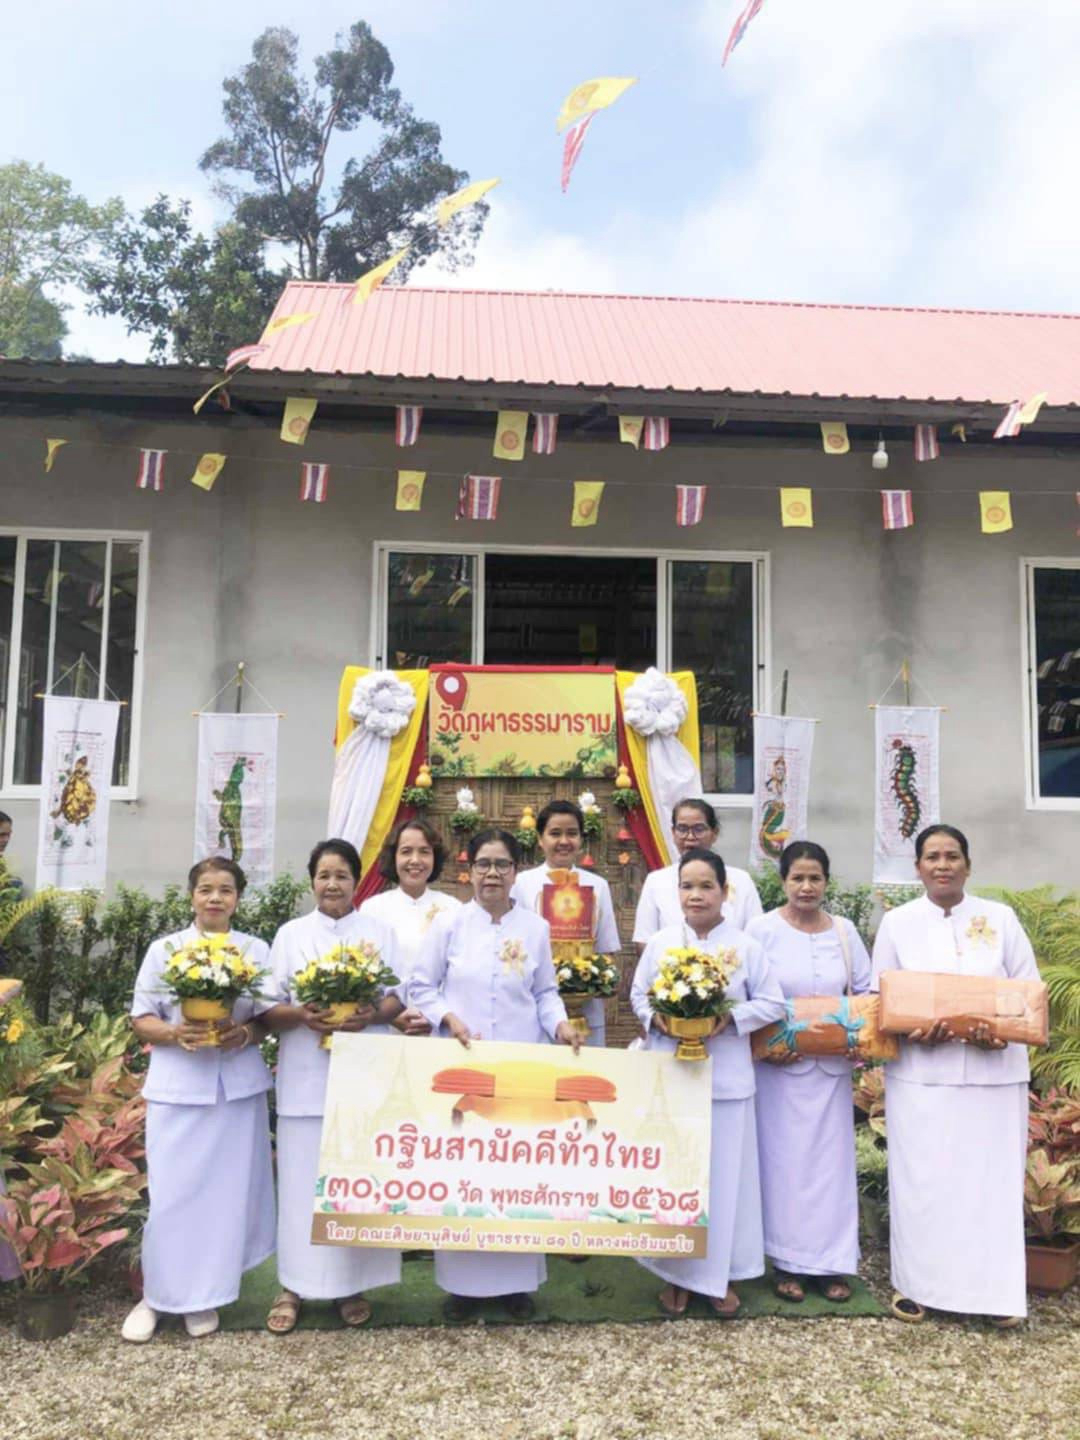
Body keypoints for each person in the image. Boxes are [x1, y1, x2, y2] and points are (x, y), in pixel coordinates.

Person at [410, 827, 582, 1321]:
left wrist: (561, 1024)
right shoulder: (448, 924)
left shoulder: (536, 928)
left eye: (502, 864)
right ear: (468, 871)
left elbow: (545, 993)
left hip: (520, 1067)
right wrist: (448, 1018)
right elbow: (421, 986)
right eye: (483, 864)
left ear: (515, 871)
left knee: (515, 1171)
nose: (492, 873)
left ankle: (516, 1285)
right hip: (461, 1063)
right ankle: (461, 1288)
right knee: (463, 1173)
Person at [871, 824, 1039, 1328]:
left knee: (990, 1185)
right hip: (923, 1077)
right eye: (932, 857)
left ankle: (996, 1294)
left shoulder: (1001, 918)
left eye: (952, 856)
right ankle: (917, 1286)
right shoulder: (897, 923)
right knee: (925, 1182)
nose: (942, 865)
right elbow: (880, 999)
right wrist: (913, 1031)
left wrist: (1000, 1034)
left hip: (994, 1075)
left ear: (968, 864)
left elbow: (1028, 991)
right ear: (918, 867)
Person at [122, 857, 275, 1343]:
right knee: (172, 1196)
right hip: (178, 1089)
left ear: (237, 898)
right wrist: (174, 1033)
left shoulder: (254, 950)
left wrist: (244, 1034)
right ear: (191, 895)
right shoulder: (165, 950)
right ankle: (156, 1296)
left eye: (225, 890)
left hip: (236, 1092)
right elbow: (141, 1018)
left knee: (223, 1199)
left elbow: (269, 1017)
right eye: (206, 889)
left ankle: (204, 1297)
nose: (215, 898)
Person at [630, 848, 784, 1317]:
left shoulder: (746, 946)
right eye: (687, 886)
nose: (695, 895)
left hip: (727, 1080)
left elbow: (773, 1003)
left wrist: (728, 1019)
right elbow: (638, 994)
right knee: (677, 1178)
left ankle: (720, 1278)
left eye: (705, 886)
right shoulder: (661, 943)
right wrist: (658, 1018)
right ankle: (675, 1276)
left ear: (724, 891)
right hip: (673, 1077)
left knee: (723, 1181)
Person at [263, 838, 404, 1334]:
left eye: (342, 875)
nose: (332, 884)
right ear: (312, 881)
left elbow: (396, 998)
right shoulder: (290, 935)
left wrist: (371, 1015)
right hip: (305, 1077)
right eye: (324, 875)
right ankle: (292, 1286)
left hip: (363, 1074)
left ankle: (350, 1286)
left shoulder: (379, 933)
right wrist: (303, 1015)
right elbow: (268, 1007)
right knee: (300, 1185)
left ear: (356, 881)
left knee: (353, 1183)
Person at [747, 841, 871, 1302]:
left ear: (826, 882)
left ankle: (833, 1265)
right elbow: (744, 994)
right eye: (797, 877)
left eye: (814, 878)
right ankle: (786, 1264)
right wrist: (764, 1047)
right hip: (779, 1072)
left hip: (831, 1071)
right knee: (784, 1166)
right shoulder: (761, 930)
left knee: (830, 1168)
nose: (806, 886)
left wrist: (855, 1041)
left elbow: (866, 993)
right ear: (783, 881)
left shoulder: (844, 931)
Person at [510, 799, 621, 1047]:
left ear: (581, 839)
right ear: (540, 839)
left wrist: (597, 979)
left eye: (572, 833)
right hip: (532, 1004)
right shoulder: (521, 883)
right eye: (554, 833)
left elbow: (606, 948)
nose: (564, 841)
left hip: (586, 1008)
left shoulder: (598, 886)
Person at [360, 817, 460, 1034]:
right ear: (393, 857)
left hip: (440, 1028)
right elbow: (362, 973)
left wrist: (436, 1015)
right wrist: (392, 1016)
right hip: (383, 1028)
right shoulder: (372, 909)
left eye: (424, 852)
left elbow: (458, 975)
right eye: (406, 851)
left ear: (435, 857)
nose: (415, 860)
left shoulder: (453, 909)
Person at [633, 799, 763, 949]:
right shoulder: (656, 881)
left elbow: (756, 937)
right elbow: (644, 939)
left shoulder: (741, 880)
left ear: (714, 833)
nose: (690, 837)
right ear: (673, 833)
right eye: (682, 829)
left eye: (699, 829)